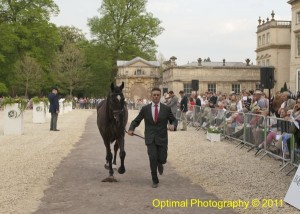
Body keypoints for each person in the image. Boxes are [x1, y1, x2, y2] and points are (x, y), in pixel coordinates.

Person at [127, 87, 175, 188]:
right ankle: (154, 179)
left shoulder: (166, 109)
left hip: (162, 138)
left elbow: (174, 120)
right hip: (150, 138)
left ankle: (160, 163)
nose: (156, 96)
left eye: (158, 95)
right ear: (151, 96)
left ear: (160, 96)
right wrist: (131, 128)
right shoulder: (145, 109)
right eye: (154, 95)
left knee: (162, 158)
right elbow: (136, 120)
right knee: (152, 157)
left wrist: (173, 125)